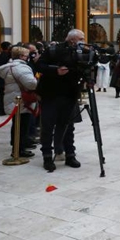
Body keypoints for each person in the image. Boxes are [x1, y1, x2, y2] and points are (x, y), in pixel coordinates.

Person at [35, 29, 85, 172]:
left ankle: (70, 154)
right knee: (48, 127)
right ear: (72, 39)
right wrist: (55, 70)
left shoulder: (80, 51)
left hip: (70, 94)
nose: (82, 41)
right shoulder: (53, 50)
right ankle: (47, 156)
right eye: (80, 39)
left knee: (69, 126)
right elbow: (39, 66)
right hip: (51, 94)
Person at [0, 46, 38, 158]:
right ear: (21, 56)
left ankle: (16, 147)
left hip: (12, 98)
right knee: (22, 126)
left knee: (17, 125)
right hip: (21, 100)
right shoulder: (21, 67)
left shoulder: (9, 66)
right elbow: (31, 84)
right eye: (26, 55)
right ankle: (19, 149)